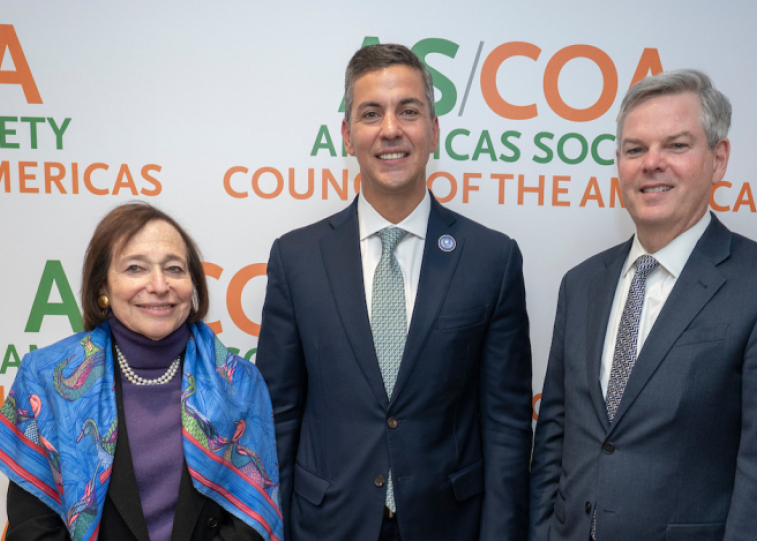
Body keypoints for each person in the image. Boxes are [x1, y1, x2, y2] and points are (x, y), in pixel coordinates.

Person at [256, 43, 532, 541]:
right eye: (370, 113)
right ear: (346, 135)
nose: (390, 129)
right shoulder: (296, 259)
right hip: (326, 525)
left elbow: (507, 426)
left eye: (409, 111)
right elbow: (277, 416)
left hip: (450, 525)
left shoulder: (492, 259)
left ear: (434, 130)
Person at [529, 69, 757, 541]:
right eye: (635, 149)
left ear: (718, 159)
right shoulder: (580, 284)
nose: (652, 163)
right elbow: (554, 443)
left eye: (677, 146)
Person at [0, 202, 283, 541]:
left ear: (193, 285)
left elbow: (250, 527)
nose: (159, 285)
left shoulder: (240, 384)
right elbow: (33, 529)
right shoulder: (46, 378)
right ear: (102, 287)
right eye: (135, 268)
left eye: (175, 269)